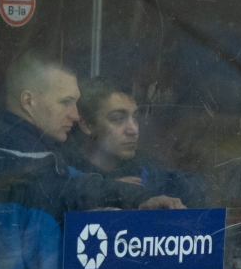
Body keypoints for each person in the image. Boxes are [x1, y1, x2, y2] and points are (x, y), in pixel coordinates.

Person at [0, 51, 183, 269]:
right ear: (28, 101)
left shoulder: (37, 151)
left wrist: (129, 193)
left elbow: (72, 180)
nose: (76, 115)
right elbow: (64, 188)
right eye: (66, 102)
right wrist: (132, 196)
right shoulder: (9, 156)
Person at [66, 76, 206, 207]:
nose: (133, 130)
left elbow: (194, 187)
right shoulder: (64, 175)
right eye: (117, 119)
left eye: (135, 118)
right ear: (87, 125)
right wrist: (110, 191)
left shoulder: (145, 172)